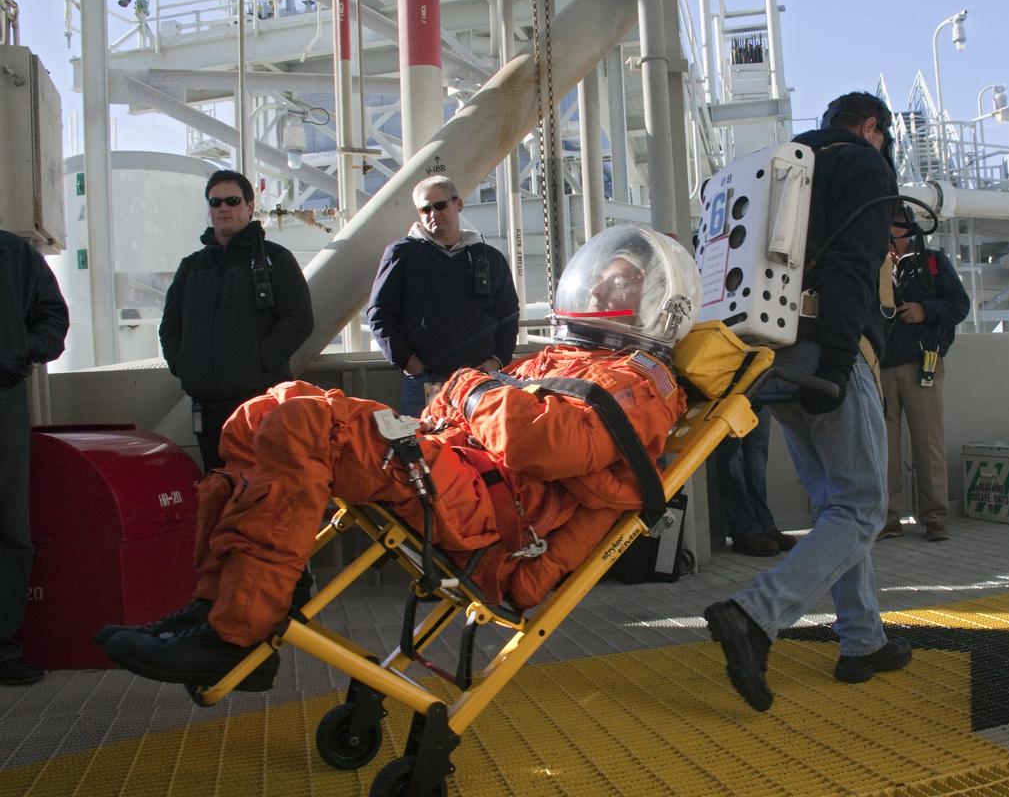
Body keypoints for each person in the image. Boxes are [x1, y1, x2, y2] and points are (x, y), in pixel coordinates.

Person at [99, 225, 699, 691]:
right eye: (602, 279)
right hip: (449, 465)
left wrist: (466, 386)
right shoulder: (560, 360)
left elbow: (536, 442)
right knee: (265, 412)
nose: (599, 290)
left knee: (305, 424)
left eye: (620, 284)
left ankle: (236, 635)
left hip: (485, 512)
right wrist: (475, 394)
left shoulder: (641, 382)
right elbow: (487, 414)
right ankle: (217, 603)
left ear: (654, 303)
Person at [703, 91, 913, 712]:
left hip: (768, 350)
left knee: (835, 505)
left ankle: (862, 640)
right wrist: (842, 362)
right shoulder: (862, 164)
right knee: (863, 508)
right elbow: (851, 263)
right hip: (827, 347)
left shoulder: (780, 165)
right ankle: (754, 614)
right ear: (872, 126)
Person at [159, 170, 314, 471]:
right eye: (215, 202)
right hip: (206, 403)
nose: (223, 208)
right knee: (218, 485)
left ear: (250, 206)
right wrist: (184, 366)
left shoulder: (275, 259)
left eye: (232, 200)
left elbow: (299, 319)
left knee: (264, 487)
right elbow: (170, 326)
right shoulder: (192, 267)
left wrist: (258, 363)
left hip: (260, 401)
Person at [368, 175, 519, 417]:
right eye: (424, 209)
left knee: (481, 446)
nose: (432, 214)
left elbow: (508, 313)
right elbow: (379, 313)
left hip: (480, 380)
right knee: (428, 446)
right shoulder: (402, 254)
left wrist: (497, 360)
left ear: (458, 204)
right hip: (427, 380)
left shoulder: (489, 257)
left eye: (440, 205)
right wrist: (410, 364)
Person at [0, 231, 69, 685]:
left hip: (3, 397)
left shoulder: (13, 252)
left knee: (8, 529)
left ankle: (2, 647)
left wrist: (18, 351)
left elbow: (51, 314)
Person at [878, 206, 970, 542]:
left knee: (928, 441)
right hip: (882, 367)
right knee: (883, 447)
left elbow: (959, 305)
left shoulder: (932, 263)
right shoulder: (873, 265)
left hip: (922, 364)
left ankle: (934, 517)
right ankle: (888, 518)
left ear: (906, 229)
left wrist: (924, 311)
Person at [715, 409, 796, 556]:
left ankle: (764, 525)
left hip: (758, 387)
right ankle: (744, 530)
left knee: (756, 454)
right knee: (732, 456)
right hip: (725, 390)